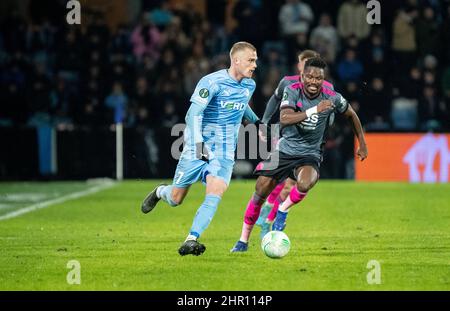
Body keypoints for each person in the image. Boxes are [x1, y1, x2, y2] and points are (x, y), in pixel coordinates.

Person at [231, 57, 368, 252]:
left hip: (310, 154)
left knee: (306, 182)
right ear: (302, 76)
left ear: (323, 79)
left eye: (318, 78)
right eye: (310, 77)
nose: (314, 81)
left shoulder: (332, 96)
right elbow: (285, 118)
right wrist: (315, 110)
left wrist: (362, 143)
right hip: (285, 150)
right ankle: (243, 241)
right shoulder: (292, 90)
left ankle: (282, 210)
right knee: (260, 191)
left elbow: (351, 114)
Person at [140, 42, 263, 256]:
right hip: (197, 146)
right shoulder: (211, 82)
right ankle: (161, 191)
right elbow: (192, 115)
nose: (255, 65)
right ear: (236, 60)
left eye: (256, 60)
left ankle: (191, 238)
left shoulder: (249, 85)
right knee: (176, 199)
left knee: (215, 191)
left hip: (224, 152)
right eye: (251, 60)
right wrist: (198, 145)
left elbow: (242, 106)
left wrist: (258, 123)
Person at [255, 50, 335, 239]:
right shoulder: (287, 82)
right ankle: (268, 212)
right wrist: (264, 122)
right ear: (299, 65)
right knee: (278, 179)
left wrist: (328, 123)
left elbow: (331, 110)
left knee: (290, 185)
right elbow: (274, 101)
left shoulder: (327, 86)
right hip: (285, 137)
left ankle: (269, 220)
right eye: (303, 63)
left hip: (309, 144)